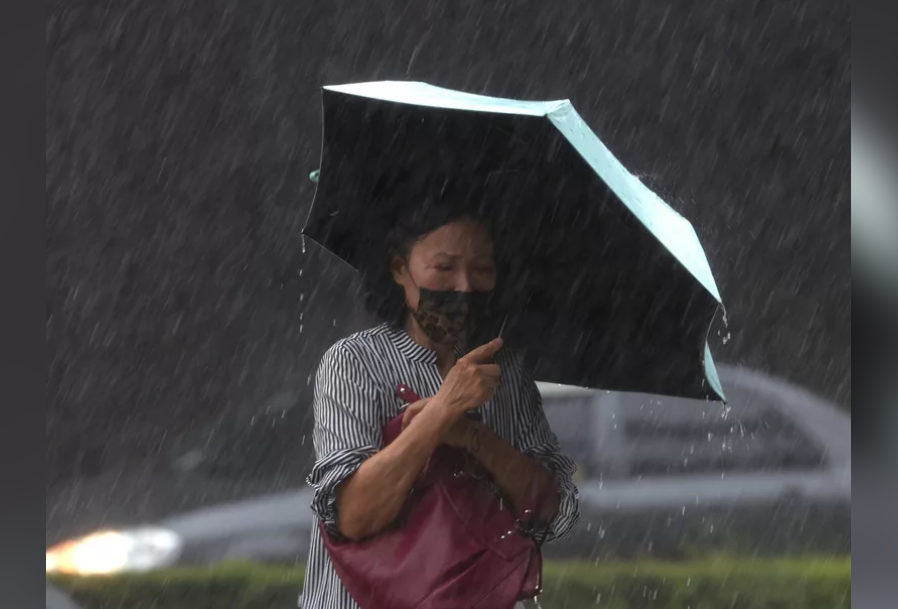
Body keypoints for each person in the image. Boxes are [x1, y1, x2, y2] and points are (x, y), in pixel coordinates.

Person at [301, 198, 580, 609]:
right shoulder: (355, 363)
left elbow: (550, 510)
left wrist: (472, 436)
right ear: (400, 269)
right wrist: (440, 413)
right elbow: (352, 516)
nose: (464, 285)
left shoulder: (506, 370)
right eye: (444, 268)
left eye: (482, 268)